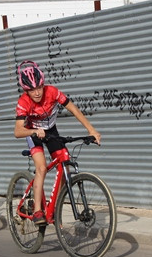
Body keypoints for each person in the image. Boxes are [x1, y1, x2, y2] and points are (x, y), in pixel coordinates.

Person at [13, 60, 102, 226]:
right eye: (32, 90)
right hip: (32, 132)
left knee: (64, 165)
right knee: (41, 167)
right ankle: (38, 210)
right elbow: (18, 131)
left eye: (39, 87)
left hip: (51, 130)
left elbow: (73, 109)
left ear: (43, 84)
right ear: (26, 90)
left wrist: (92, 130)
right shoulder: (24, 102)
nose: (37, 93)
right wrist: (33, 131)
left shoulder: (52, 92)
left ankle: (55, 207)